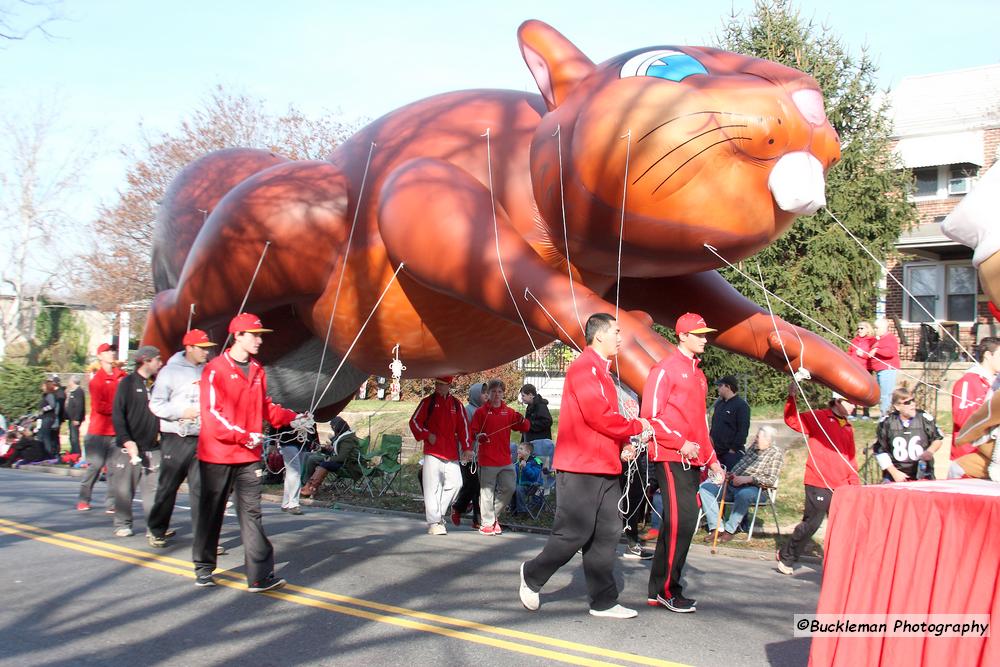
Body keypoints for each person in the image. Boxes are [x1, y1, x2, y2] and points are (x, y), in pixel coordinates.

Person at [519, 313, 650, 620]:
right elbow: (598, 417)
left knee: (608, 533)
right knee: (573, 534)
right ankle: (531, 575)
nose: (620, 337)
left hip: (605, 466)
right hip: (580, 467)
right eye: (616, 332)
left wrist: (623, 446)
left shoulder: (604, 372)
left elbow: (602, 422)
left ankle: (603, 601)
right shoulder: (583, 368)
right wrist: (636, 426)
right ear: (599, 335)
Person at [193, 312, 303, 592]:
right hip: (218, 454)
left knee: (252, 514)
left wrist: (293, 417)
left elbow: (266, 407)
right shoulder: (215, 368)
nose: (259, 340)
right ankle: (204, 567)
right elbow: (211, 415)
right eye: (254, 335)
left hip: (248, 457)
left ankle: (259, 576)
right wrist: (243, 435)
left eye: (260, 335)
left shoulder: (257, 369)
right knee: (212, 511)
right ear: (237, 336)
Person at [641, 312, 723, 613]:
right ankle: (667, 589)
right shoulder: (665, 369)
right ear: (683, 336)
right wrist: (679, 442)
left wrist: (712, 459)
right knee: (682, 520)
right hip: (670, 455)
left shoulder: (699, 374)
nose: (704, 338)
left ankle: (659, 589)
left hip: (693, 458)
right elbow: (650, 417)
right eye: (699, 334)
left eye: (705, 333)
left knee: (681, 523)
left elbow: (700, 424)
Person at [777, 382, 859, 575]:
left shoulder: (848, 427)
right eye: (850, 402)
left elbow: (851, 457)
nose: (854, 406)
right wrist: (792, 398)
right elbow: (792, 420)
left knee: (842, 525)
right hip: (818, 481)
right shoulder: (819, 417)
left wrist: (854, 482)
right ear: (837, 400)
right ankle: (786, 557)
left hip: (841, 485)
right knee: (812, 523)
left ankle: (839, 563)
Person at [146, 329, 217, 547]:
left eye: (207, 348)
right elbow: (156, 404)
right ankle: (157, 529)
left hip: (201, 436)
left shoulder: (208, 371)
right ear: (189, 348)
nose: (206, 352)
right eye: (202, 348)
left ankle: (203, 539)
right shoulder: (170, 372)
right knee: (169, 485)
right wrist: (180, 413)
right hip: (175, 435)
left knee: (201, 488)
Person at [110, 345, 164, 537]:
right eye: (157, 359)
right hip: (129, 447)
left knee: (154, 489)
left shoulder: (156, 384)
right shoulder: (127, 383)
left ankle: (154, 527)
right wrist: (126, 440)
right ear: (146, 360)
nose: (160, 363)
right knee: (125, 489)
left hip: (153, 446)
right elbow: (118, 415)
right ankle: (122, 522)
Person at [409, 376, 473, 535]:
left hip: (451, 452)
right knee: (432, 487)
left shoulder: (457, 405)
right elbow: (414, 421)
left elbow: (464, 427)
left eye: (441, 384)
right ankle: (434, 522)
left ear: (449, 385)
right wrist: (426, 434)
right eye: (436, 383)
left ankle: (438, 515)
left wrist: (467, 448)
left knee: (456, 483)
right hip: (432, 451)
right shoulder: (427, 402)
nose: (437, 386)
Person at [699, 425, 784, 542]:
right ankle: (717, 527)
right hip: (734, 485)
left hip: (757, 490)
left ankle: (730, 530)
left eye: (758, 437)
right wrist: (730, 474)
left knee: (744, 495)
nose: (755, 439)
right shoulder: (753, 448)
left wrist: (748, 479)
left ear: (768, 440)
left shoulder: (776, 454)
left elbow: (769, 480)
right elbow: (739, 467)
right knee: (706, 489)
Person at [470, 379, 530, 535]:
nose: (496, 395)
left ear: (503, 394)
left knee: (509, 487)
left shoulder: (508, 412)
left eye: (499, 392)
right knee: (487, 493)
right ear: (488, 394)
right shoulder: (481, 412)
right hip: (487, 459)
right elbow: (473, 432)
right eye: (493, 391)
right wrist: (479, 436)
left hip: (505, 460)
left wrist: (523, 420)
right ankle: (487, 524)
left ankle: (492, 518)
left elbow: (524, 426)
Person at [77, 343, 127, 512]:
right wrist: (120, 408)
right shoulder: (97, 380)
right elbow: (100, 407)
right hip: (98, 431)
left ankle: (111, 503)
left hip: (116, 431)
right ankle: (84, 498)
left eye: (112, 351)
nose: (111, 353)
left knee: (114, 468)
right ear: (100, 356)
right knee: (96, 466)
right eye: (107, 351)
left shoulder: (121, 375)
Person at [874, 387, 943, 483]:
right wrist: (894, 473)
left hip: (922, 472)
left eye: (913, 400)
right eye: (907, 403)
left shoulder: (924, 418)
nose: (912, 404)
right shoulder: (887, 423)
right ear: (897, 406)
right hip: (896, 474)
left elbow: (938, 438)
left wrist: (929, 451)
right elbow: (879, 450)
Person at [950, 337, 1000, 463]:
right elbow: (962, 419)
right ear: (988, 355)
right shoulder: (969, 381)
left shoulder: (996, 383)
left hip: (991, 454)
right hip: (968, 454)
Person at [451, 382, 485, 529]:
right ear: (476, 394)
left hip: (481, 455)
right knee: (472, 485)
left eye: (487, 393)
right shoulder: (468, 410)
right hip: (468, 454)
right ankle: (458, 508)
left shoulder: (484, 410)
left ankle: (477, 519)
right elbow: (464, 433)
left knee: (478, 488)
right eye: (483, 393)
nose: (486, 396)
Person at [300, 417, 363, 496]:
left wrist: (329, 458)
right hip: (336, 459)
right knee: (307, 454)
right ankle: (303, 482)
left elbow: (341, 458)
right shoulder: (343, 436)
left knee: (312, 459)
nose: (332, 430)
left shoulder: (348, 439)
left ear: (338, 427)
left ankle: (307, 485)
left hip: (347, 464)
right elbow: (338, 450)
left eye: (333, 428)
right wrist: (327, 449)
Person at [709, 375, 750, 471]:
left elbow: (743, 431)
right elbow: (714, 425)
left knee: (729, 482)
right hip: (716, 453)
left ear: (728, 387)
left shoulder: (741, 406)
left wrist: (733, 449)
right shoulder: (719, 404)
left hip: (731, 454)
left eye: (720, 386)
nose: (718, 388)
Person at [868, 319, 900, 418]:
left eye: (877, 328)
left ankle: (885, 416)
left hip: (887, 369)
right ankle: (884, 414)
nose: (875, 329)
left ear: (883, 328)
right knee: (882, 394)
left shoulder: (890, 338)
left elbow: (890, 353)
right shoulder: (879, 339)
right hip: (879, 370)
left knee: (886, 395)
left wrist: (877, 350)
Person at [848, 321, 875, 420]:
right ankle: (853, 412)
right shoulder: (854, 340)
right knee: (854, 391)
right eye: (858, 328)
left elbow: (872, 356)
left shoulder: (872, 341)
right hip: (854, 368)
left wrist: (862, 355)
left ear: (868, 329)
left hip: (866, 369)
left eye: (862, 328)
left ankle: (866, 413)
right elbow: (850, 352)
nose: (859, 330)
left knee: (866, 391)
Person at [513, 441, 545, 514]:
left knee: (518, 488)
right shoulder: (519, 462)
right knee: (511, 487)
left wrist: (525, 467)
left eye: (521, 449)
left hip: (533, 486)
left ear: (528, 451)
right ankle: (513, 509)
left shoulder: (536, 461)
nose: (518, 450)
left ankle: (522, 512)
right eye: (518, 448)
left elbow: (534, 476)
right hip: (521, 485)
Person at [38, 379, 60, 460]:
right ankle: (45, 453)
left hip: (48, 418)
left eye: (44, 385)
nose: (42, 387)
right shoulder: (46, 395)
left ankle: (49, 454)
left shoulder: (50, 395)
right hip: (45, 418)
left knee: (46, 437)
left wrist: (43, 409)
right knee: (44, 436)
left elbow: (52, 405)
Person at [65, 375, 86, 456]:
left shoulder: (79, 391)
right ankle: (73, 451)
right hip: (71, 418)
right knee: (71, 436)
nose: (69, 382)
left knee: (74, 436)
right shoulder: (73, 391)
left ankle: (77, 453)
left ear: (73, 381)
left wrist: (77, 418)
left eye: (70, 380)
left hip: (75, 418)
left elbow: (79, 405)